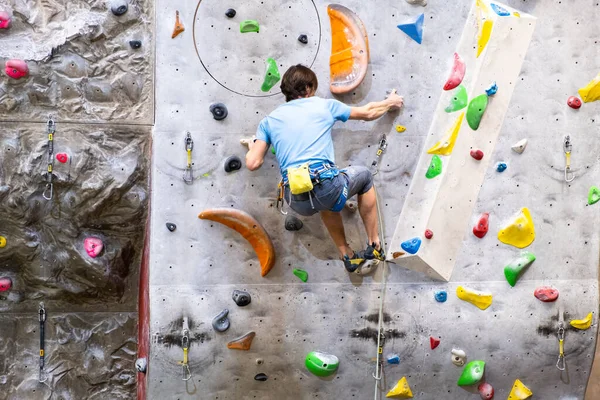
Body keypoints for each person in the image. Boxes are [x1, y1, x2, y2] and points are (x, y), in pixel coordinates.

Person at [243, 64, 404, 272]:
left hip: (296, 199)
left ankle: (347, 254)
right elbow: (368, 113)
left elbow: (252, 163)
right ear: (309, 87)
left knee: (327, 203)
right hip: (326, 185)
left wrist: (252, 146)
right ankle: (374, 246)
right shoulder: (322, 105)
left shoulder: (268, 121)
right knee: (363, 177)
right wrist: (390, 103)